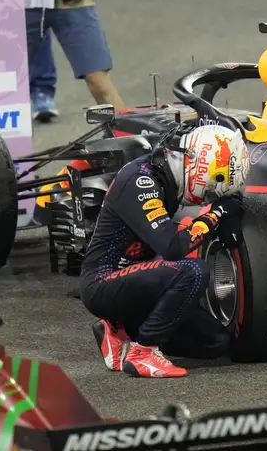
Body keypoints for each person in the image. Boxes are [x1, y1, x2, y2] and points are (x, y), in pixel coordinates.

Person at [79, 125, 250, 378]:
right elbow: (172, 248)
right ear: (202, 168)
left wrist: (228, 213)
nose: (209, 196)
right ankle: (143, 352)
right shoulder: (141, 181)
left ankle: (118, 328)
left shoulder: (168, 175)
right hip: (103, 282)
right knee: (192, 272)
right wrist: (215, 214)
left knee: (216, 342)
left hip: (139, 284)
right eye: (213, 187)